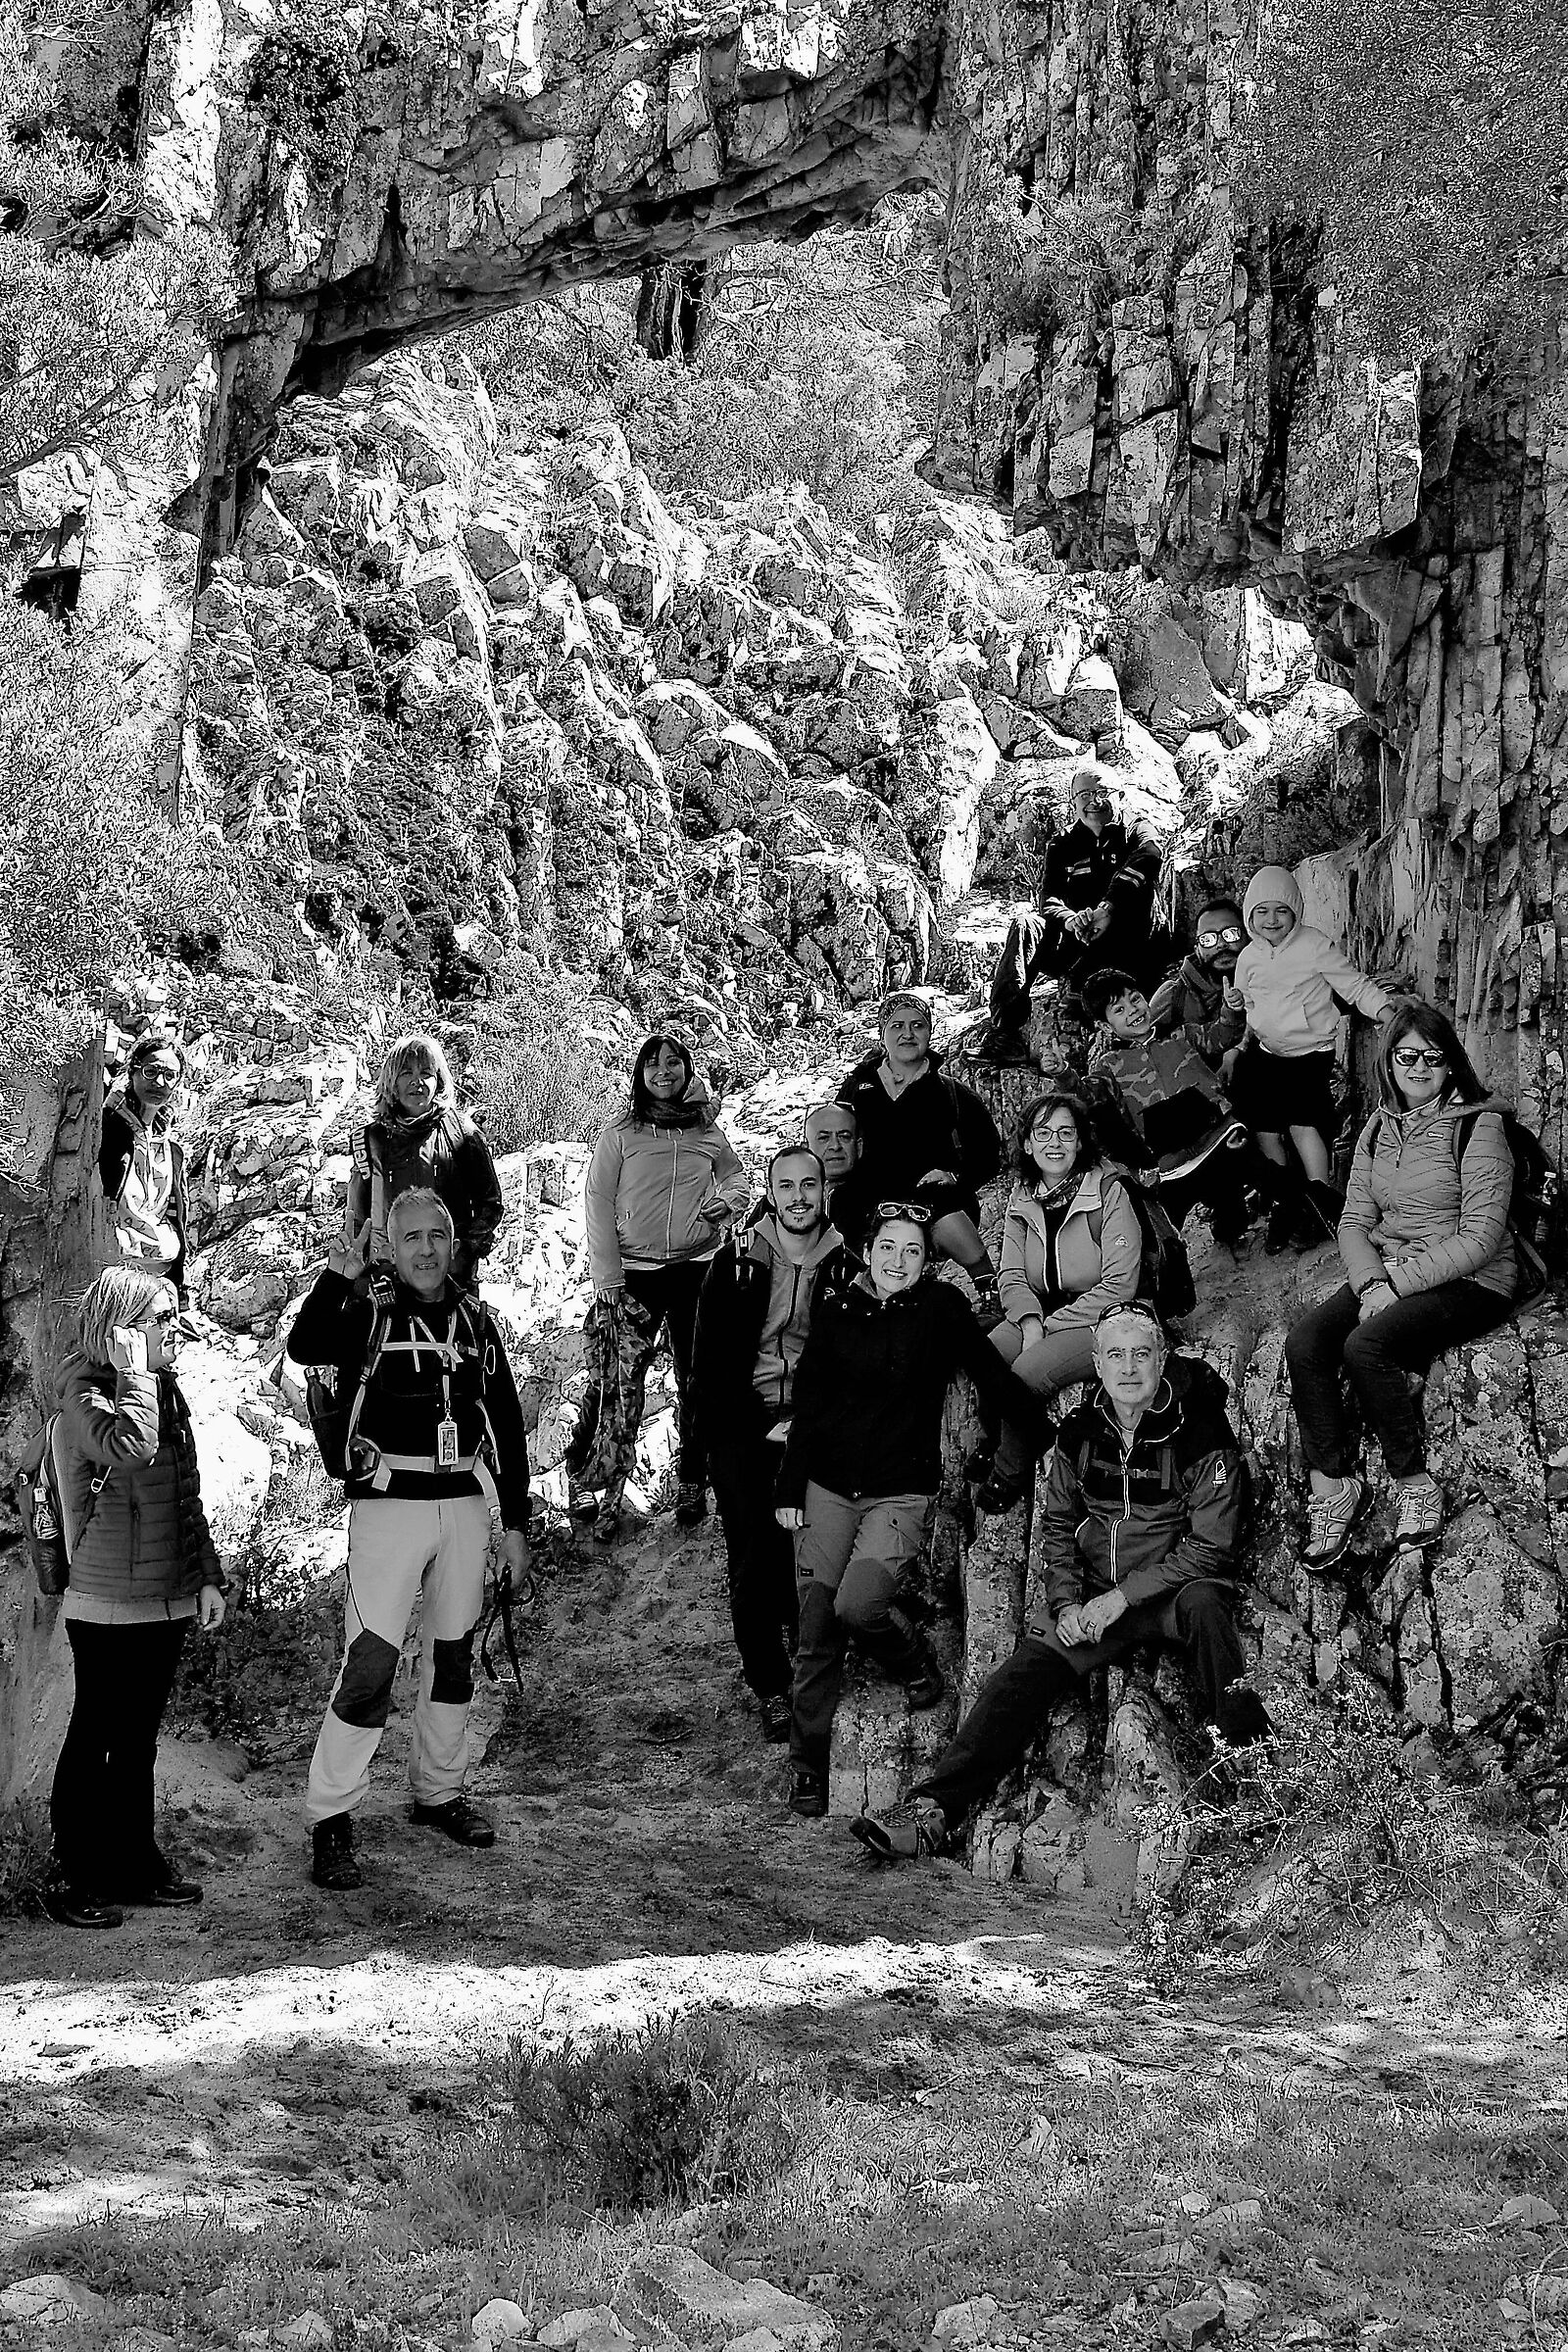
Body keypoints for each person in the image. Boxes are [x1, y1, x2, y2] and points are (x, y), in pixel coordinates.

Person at [850, 1301, 1272, 1862]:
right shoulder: (1080, 1432)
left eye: (1141, 1354)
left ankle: (1258, 1786)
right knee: (1018, 1680)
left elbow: (1211, 1549)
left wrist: (1121, 1599)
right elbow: (1058, 1525)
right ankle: (933, 1812)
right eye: (1115, 1355)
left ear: (1162, 1358)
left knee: (1208, 1607)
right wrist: (1067, 1602)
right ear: (1096, 1363)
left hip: (1170, 1595)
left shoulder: (1200, 1430)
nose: (1128, 1368)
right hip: (1094, 1599)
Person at [287, 1189, 531, 1891]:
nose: (427, 1249)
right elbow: (306, 1346)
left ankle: (440, 1792)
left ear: (454, 1243)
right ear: (392, 1247)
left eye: (438, 1235)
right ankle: (332, 1816)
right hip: (388, 1508)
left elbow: (507, 1427)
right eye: (412, 1237)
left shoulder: (477, 1323)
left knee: (453, 1659)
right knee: (370, 1664)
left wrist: (515, 1526)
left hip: (463, 1505)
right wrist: (337, 1277)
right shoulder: (367, 1312)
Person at [774, 1203, 1047, 1819]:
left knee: (858, 1605)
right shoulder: (837, 1307)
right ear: (868, 1250)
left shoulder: (941, 1309)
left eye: (914, 1251)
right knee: (816, 1625)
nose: (898, 1261)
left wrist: (1037, 1426)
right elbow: (810, 1403)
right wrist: (790, 1489)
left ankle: (911, 1658)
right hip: (827, 1486)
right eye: (888, 1248)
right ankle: (807, 1766)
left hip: (900, 1490)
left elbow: (990, 1374)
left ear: (929, 1262)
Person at [1284, 1003, 1518, 1565]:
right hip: (1390, 1270)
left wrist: (1397, 1286)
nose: (1419, 1068)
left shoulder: (1480, 1126)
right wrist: (1370, 1283)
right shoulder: (1378, 1126)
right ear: (1388, 1062)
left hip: (1473, 1278)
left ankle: (1415, 1484)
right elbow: (1353, 1222)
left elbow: (1481, 1237)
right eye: (1406, 1056)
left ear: (1451, 1063)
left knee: (1366, 1346)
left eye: (1432, 1058)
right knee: (1305, 1343)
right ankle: (1333, 1488)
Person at [44, 1268, 227, 1930]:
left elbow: (185, 1495)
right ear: (121, 1330)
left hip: (164, 1595)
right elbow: (132, 1449)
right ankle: (74, 1876)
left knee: (138, 1741)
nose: (173, 1329)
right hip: (105, 1600)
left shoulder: (159, 1390)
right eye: (159, 1319)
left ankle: (133, 1864)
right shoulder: (84, 1396)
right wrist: (135, 1376)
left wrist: (206, 1576)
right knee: (95, 1735)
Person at [692, 1146, 855, 1740]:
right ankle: (768, 1684)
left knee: (814, 1551)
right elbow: (707, 1362)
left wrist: (809, 1424)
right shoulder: (737, 1260)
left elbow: (851, 1359)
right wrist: (741, 1430)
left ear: (824, 1189)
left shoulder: (846, 1266)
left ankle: (809, 1661)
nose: (798, 1197)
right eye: (786, 1186)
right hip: (745, 1421)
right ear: (770, 1190)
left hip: (813, 1423)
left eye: (808, 1184)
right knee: (754, 1555)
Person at [570, 1034, 750, 1541]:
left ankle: (692, 1478)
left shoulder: (705, 1130)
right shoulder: (621, 1133)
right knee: (615, 1382)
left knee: (697, 1380)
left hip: (696, 1270)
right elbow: (598, 1202)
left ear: (688, 1070)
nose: (664, 1071)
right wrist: (608, 1277)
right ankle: (586, 1476)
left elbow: (737, 1179)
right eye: (652, 1063)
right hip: (634, 1276)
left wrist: (727, 1203)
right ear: (640, 1073)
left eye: (674, 1062)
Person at [973, 1091, 1143, 1514]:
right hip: (1042, 1309)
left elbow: (1121, 1286)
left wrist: (1048, 1327)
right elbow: (1011, 1274)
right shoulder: (1023, 1196)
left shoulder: (1109, 1191)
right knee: (986, 1355)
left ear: (1080, 1142)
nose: (1055, 1142)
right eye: (1043, 1132)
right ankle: (995, 1438)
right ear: (1027, 1143)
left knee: (1027, 1371)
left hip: (1104, 1316)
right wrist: (1030, 1320)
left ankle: (1010, 1468)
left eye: (1066, 1133)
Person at [1229, 865, 1394, 1250]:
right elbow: (1246, 1000)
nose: (1272, 920)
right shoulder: (1248, 957)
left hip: (1310, 1052)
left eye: (1281, 911)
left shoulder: (1314, 944)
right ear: (1250, 915)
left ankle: (1320, 1203)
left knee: (1302, 1126)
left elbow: (1353, 985)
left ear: (1296, 911)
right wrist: (1235, 1002)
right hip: (1269, 1052)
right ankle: (1287, 1200)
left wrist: (1385, 1011)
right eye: (1262, 911)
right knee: (1265, 1128)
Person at [834, 993, 1003, 1308]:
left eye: (918, 1025)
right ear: (882, 1033)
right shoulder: (857, 1088)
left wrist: (955, 1176)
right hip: (869, 1200)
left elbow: (989, 1152)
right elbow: (835, 1139)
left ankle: (989, 1293)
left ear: (930, 1032)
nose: (908, 1034)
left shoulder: (951, 1092)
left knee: (949, 1215)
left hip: (932, 1199)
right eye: (897, 1025)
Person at [984, 762, 1164, 1056]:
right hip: (1080, 936)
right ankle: (1005, 1029)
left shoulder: (1136, 830)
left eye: (1103, 792)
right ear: (1073, 802)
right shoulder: (1063, 843)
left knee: (1135, 895)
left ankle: (1087, 990)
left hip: (1129, 939)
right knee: (1026, 925)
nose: (1094, 801)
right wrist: (1070, 920)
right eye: (1085, 795)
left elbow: (1150, 855)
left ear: (1120, 796)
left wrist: (1108, 908)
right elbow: (1049, 899)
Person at [1082, 968, 1250, 1246]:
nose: (1133, 1011)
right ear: (1104, 1026)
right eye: (1119, 1010)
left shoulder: (1181, 1035)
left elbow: (1222, 1036)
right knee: (1164, 1234)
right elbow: (1087, 1100)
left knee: (1232, 1204)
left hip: (1215, 1140)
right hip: (1167, 1166)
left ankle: (1229, 1234)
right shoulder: (1108, 1066)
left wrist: (1231, 1011)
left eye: (1135, 999)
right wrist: (1062, 1074)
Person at [347, 1033, 504, 1291]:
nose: (416, 1082)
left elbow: (490, 1204)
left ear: (439, 1080)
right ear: (392, 1082)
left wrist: (463, 1253)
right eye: (406, 1073)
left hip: (450, 1280)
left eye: (426, 1073)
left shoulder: (462, 1133)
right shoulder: (369, 1141)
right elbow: (357, 1220)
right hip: (389, 1279)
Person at [99, 1035, 193, 1306]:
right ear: (133, 1071)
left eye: (169, 1075)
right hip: (116, 1276)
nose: (159, 1082)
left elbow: (173, 1215)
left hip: (160, 1278)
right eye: (151, 1072)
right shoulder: (107, 1131)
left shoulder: (170, 1147)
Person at [1150, 898, 1247, 1070]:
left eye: (1231, 934)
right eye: (1208, 939)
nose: (1221, 944)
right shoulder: (1173, 995)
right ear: (1197, 949)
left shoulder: (1270, 980)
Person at [803, 1100, 867, 1248]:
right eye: (824, 1138)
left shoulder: (882, 1205)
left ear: (859, 1148)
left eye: (844, 1137)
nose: (835, 1146)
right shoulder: (783, 1200)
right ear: (805, 1149)